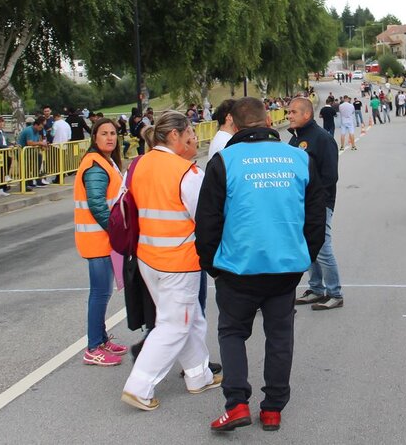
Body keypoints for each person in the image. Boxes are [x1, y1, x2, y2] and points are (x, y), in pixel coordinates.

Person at [196, 97, 326, 432]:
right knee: (280, 335)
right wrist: (305, 257)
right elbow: (315, 219)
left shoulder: (224, 161)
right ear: (269, 120)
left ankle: (237, 403)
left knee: (232, 332)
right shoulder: (299, 158)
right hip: (285, 266)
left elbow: (207, 221)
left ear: (234, 125)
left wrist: (212, 264)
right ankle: (272, 408)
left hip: (238, 266)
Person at [121, 111, 220, 411]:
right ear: (174, 135)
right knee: (175, 324)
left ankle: (198, 375)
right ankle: (140, 386)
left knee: (188, 318)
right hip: (179, 258)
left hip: (148, 257)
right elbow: (205, 217)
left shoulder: (138, 165)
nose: (193, 135)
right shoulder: (186, 173)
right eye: (189, 130)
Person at [73, 117, 128, 367]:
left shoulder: (106, 162)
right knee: (100, 293)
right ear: (94, 137)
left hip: (102, 238)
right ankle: (93, 347)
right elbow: (97, 205)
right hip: (97, 239)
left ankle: (102, 339)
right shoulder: (95, 166)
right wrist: (116, 232)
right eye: (104, 133)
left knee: (103, 293)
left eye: (113, 133)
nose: (109, 137)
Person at [288, 98, 344, 311]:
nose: (289, 116)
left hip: (319, 204)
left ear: (307, 115)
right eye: (288, 112)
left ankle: (334, 293)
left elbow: (330, 177)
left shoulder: (322, 139)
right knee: (308, 245)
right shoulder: (294, 140)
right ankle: (316, 288)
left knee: (322, 247)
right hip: (299, 203)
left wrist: (316, 203)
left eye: (293, 112)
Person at [17, 117, 49, 189]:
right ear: (36, 125)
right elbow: (30, 142)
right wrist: (40, 143)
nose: (40, 129)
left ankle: (33, 179)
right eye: (40, 127)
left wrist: (42, 145)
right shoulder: (29, 130)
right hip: (22, 151)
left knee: (38, 158)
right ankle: (24, 185)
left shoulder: (36, 131)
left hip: (29, 152)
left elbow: (37, 141)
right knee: (25, 167)